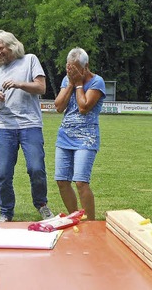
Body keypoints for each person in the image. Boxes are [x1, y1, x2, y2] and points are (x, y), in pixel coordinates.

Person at [0, 30, 54, 222]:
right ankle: (6, 212)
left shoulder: (30, 60)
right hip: (5, 127)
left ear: (12, 46)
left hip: (30, 124)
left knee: (36, 168)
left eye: (1, 48)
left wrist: (19, 84)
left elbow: (41, 87)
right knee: (4, 173)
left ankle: (42, 205)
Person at [53, 48, 106, 221]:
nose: (72, 72)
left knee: (81, 182)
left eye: (75, 69)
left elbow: (83, 107)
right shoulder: (68, 80)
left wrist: (78, 84)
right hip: (65, 137)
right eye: (69, 68)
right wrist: (70, 83)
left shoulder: (97, 82)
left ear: (86, 66)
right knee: (62, 181)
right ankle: (74, 217)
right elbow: (59, 106)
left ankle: (91, 223)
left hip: (86, 139)